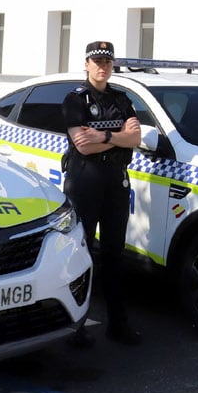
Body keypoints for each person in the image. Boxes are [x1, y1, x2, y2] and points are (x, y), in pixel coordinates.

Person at [62, 40, 144, 345]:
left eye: (107, 62)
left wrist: (104, 135)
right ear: (86, 64)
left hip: (115, 182)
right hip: (85, 181)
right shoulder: (75, 100)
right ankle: (77, 326)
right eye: (96, 61)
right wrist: (120, 137)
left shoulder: (122, 100)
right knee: (80, 253)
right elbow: (82, 144)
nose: (102, 67)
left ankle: (118, 324)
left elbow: (136, 139)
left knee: (114, 254)